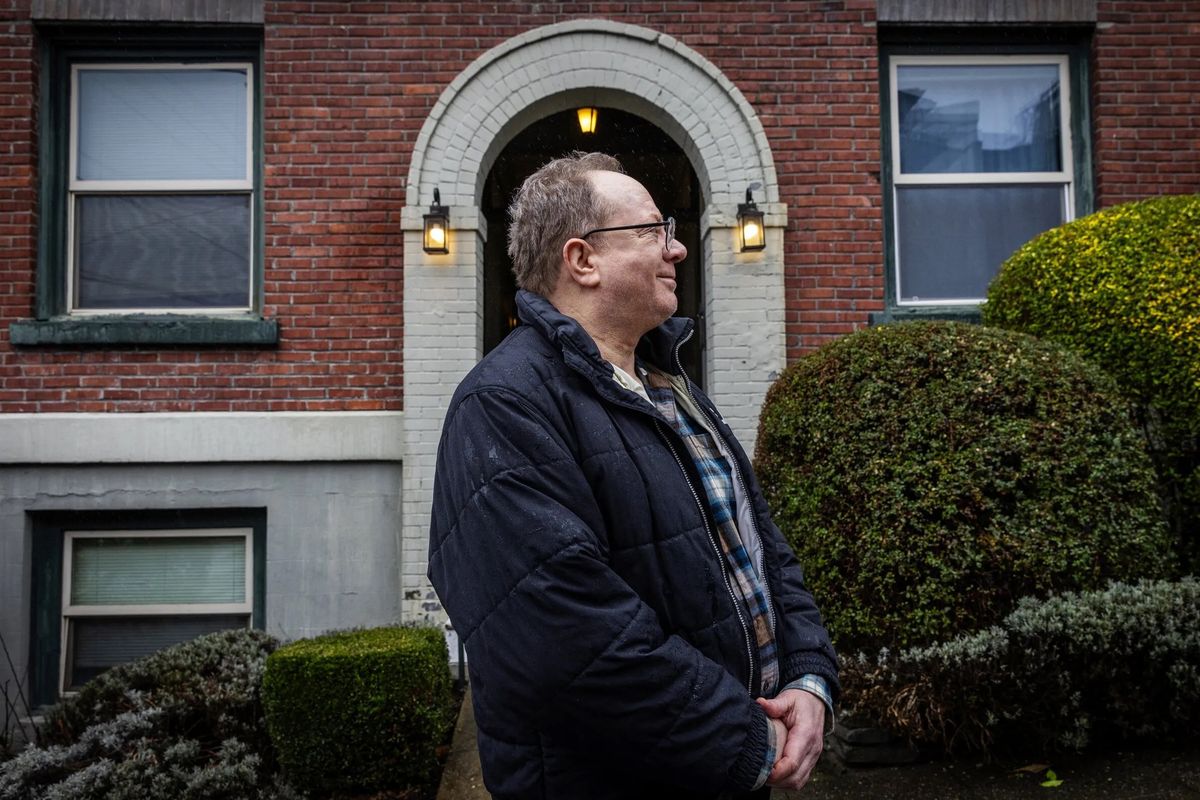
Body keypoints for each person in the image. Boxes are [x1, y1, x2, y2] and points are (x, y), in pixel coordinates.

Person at [428, 152, 838, 800]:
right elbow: (569, 643)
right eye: (652, 230)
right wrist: (749, 743)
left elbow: (766, 550)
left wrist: (809, 680)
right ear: (581, 259)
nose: (675, 250)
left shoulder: (670, 385)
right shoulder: (503, 405)